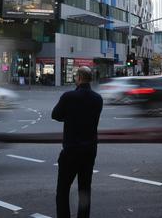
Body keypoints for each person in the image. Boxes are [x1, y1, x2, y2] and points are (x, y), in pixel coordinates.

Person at [52, 66, 103, 218]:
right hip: (89, 150)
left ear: (79, 78)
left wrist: (68, 117)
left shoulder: (68, 97)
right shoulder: (97, 99)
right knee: (84, 189)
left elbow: (55, 115)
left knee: (63, 189)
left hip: (71, 150)